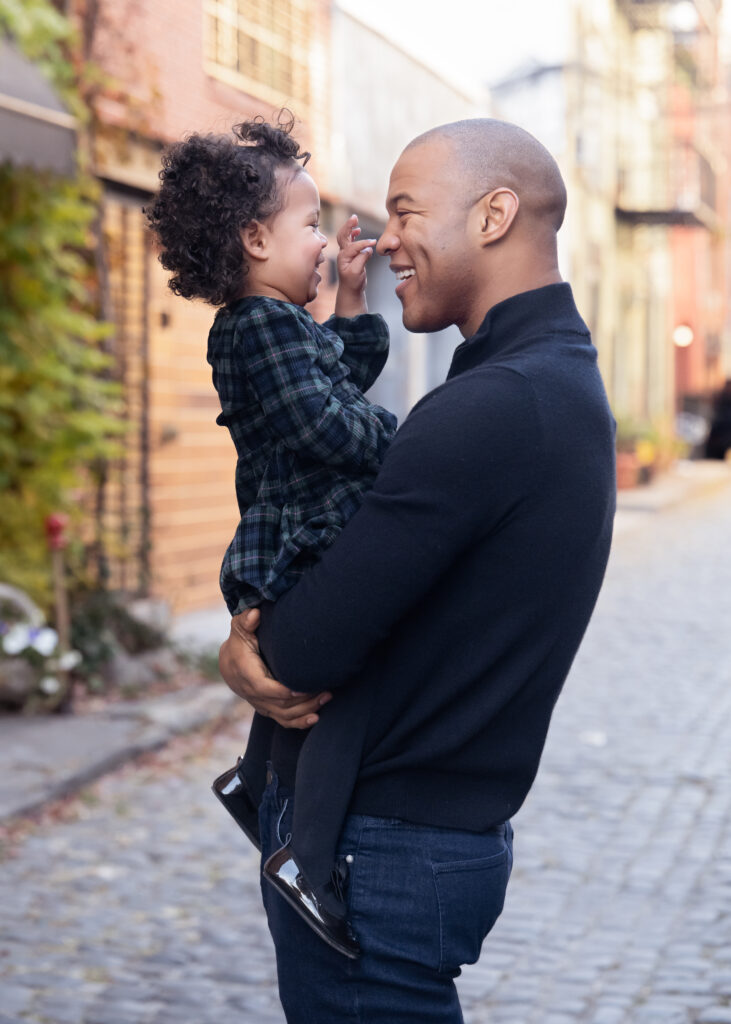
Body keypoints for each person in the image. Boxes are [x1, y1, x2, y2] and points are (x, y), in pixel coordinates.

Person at [219, 118, 617, 1024]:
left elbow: (305, 644)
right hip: (430, 835)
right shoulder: (550, 382)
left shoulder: (494, 405)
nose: (386, 236)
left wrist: (242, 652)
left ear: (494, 214)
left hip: (383, 850)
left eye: (405, 211)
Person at [144, 115, 397, 948]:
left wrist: (353, 305)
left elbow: (339, 379)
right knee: (334, 693)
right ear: (256, 238)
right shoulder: (255, 327)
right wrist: (411, 445)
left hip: (298, 531)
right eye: (309, 226)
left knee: (291, 692)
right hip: (300, 535)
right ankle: (306, 860)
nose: (323, 244)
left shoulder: (280, 326)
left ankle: (254, 786)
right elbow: (325, 426)